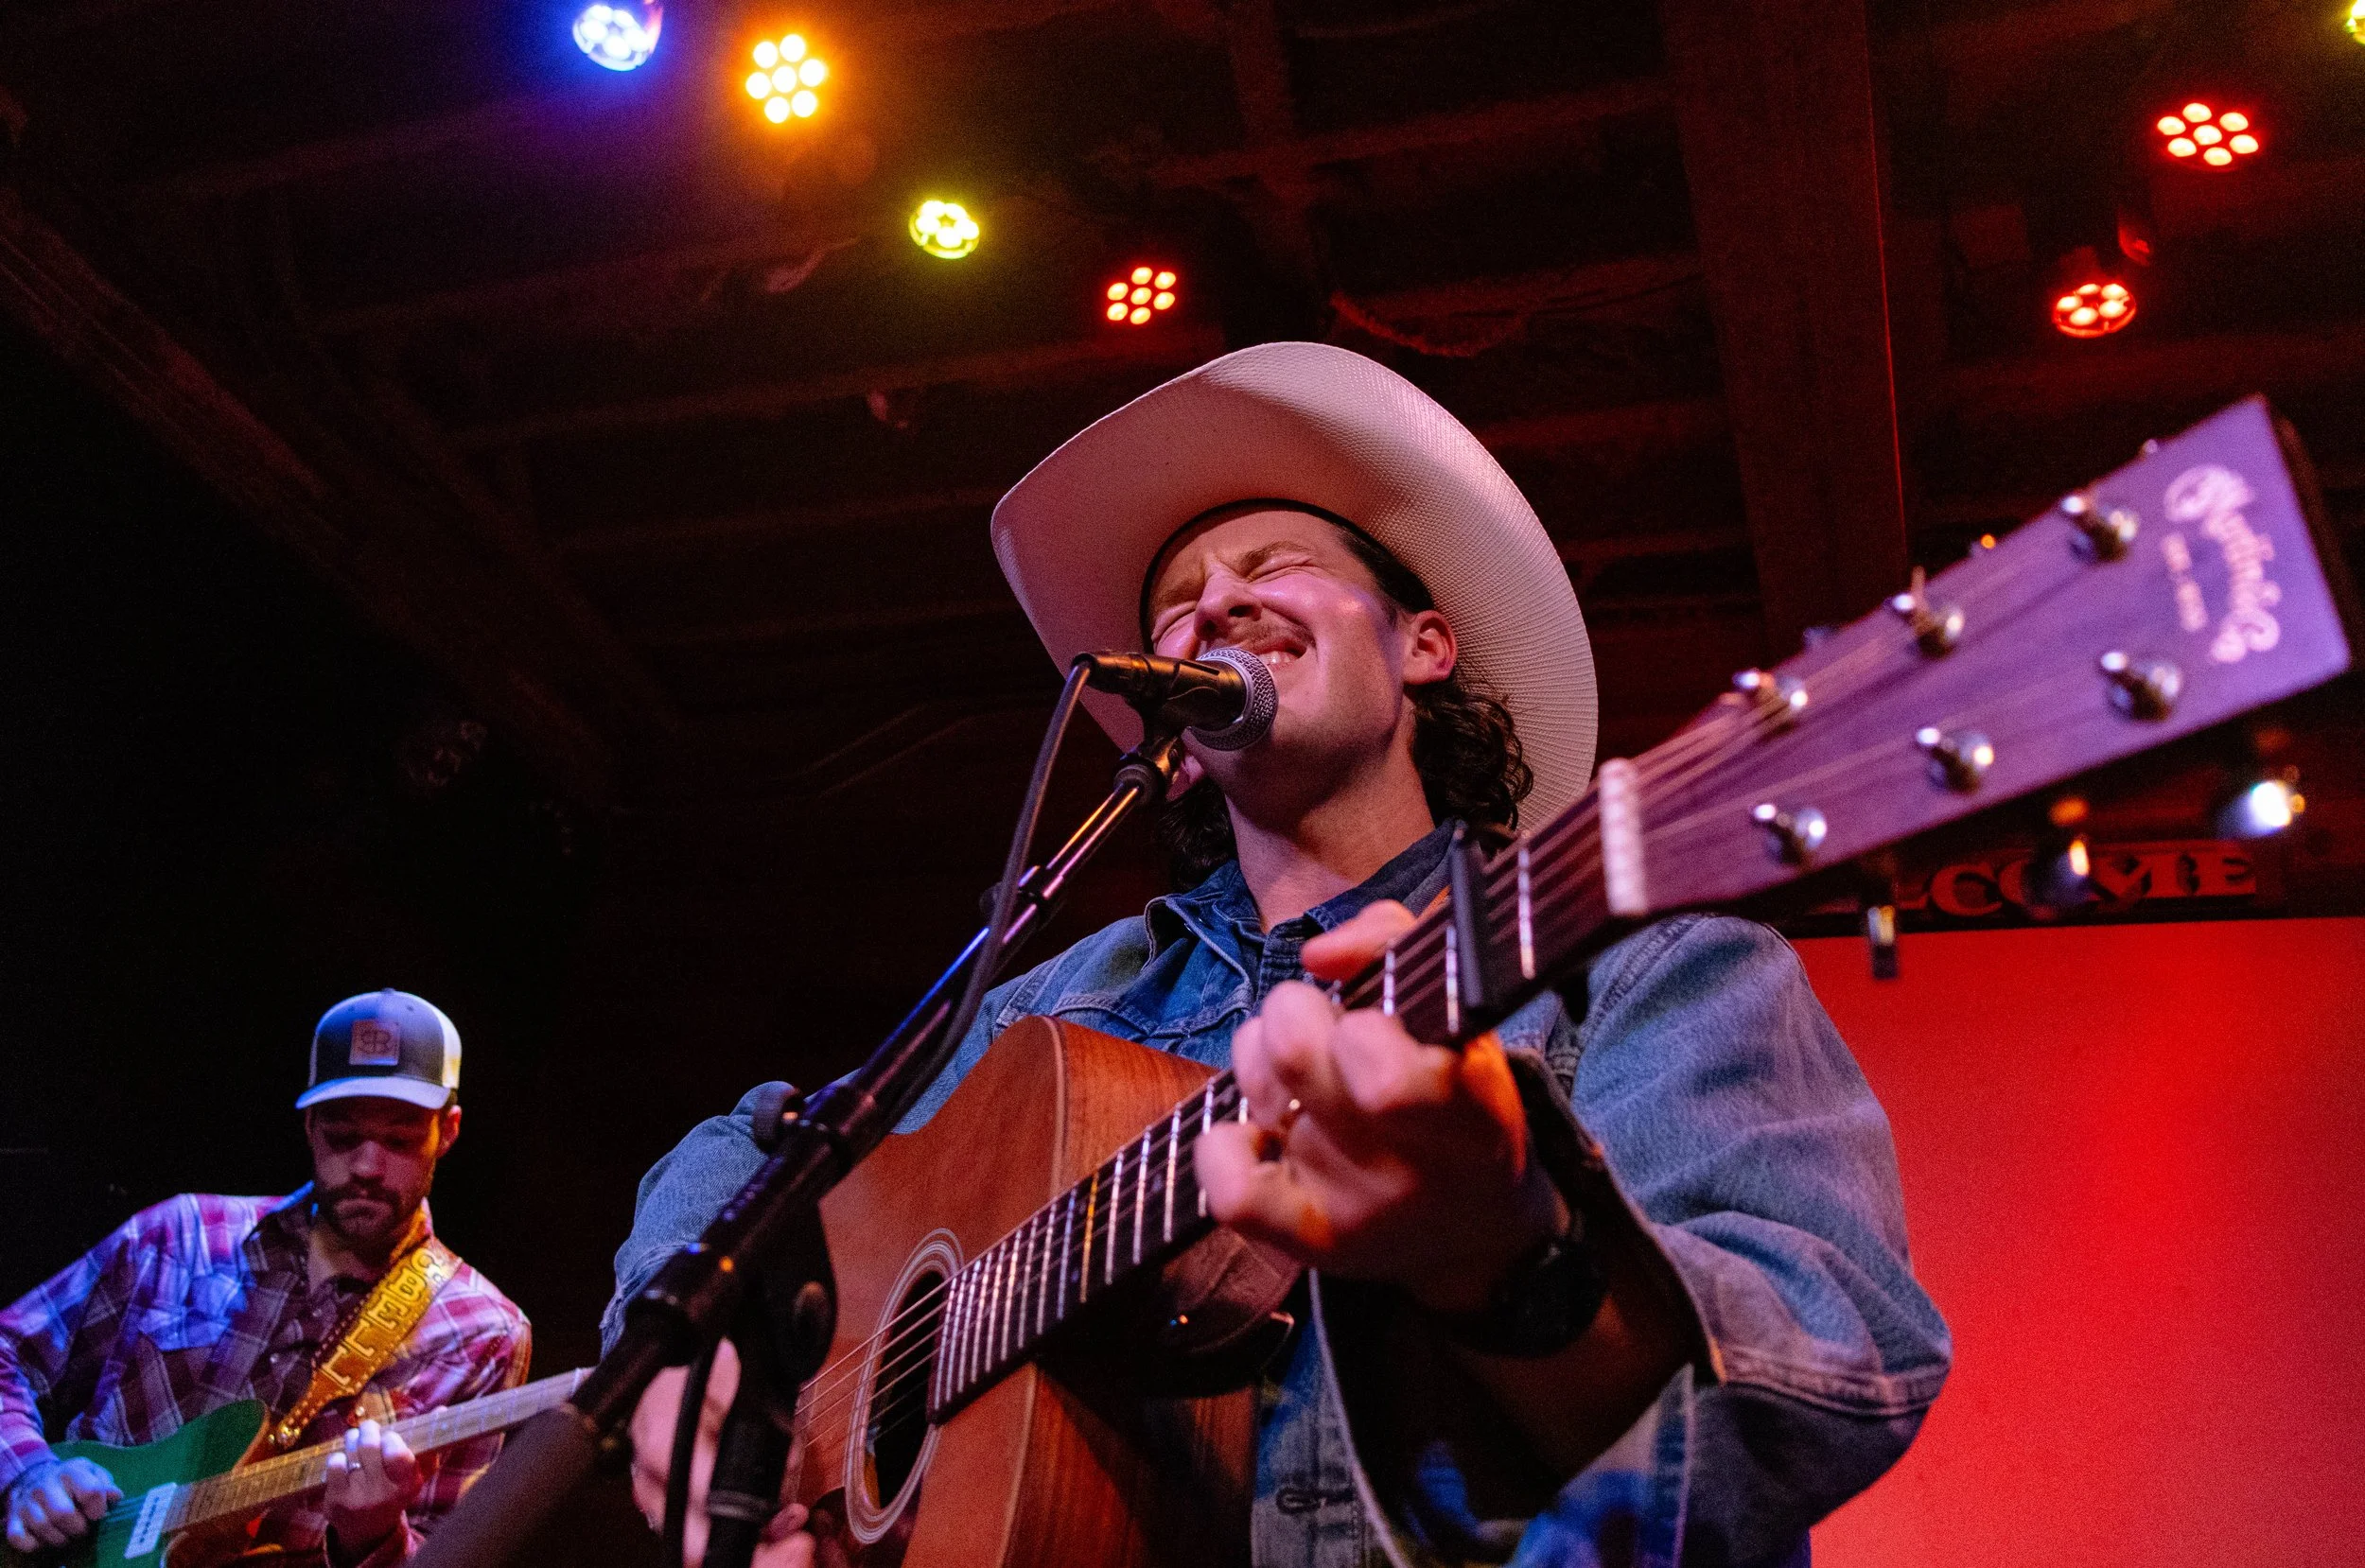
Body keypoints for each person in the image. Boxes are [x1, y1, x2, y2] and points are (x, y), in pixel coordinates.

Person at [605, 343, 1953, 1567]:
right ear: (1172, 738)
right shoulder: (1066, 997)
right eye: (1179, 602)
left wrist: (1512, 1250)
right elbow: (755, 1144)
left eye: (1275, 564)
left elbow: (1831, 1363)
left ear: (1426, 644)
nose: (1217, 606)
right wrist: (694, 1355)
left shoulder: (1637, 957)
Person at [0, 990, 531, 1568]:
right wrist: (28, 1473)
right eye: (343, 1136)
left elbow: (448, 1554)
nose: (367, 1168)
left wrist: (375, 1536)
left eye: (400, 1140)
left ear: (447, 1132)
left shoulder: (483, 1331)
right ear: (309, 1125)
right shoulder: (182, 1235)